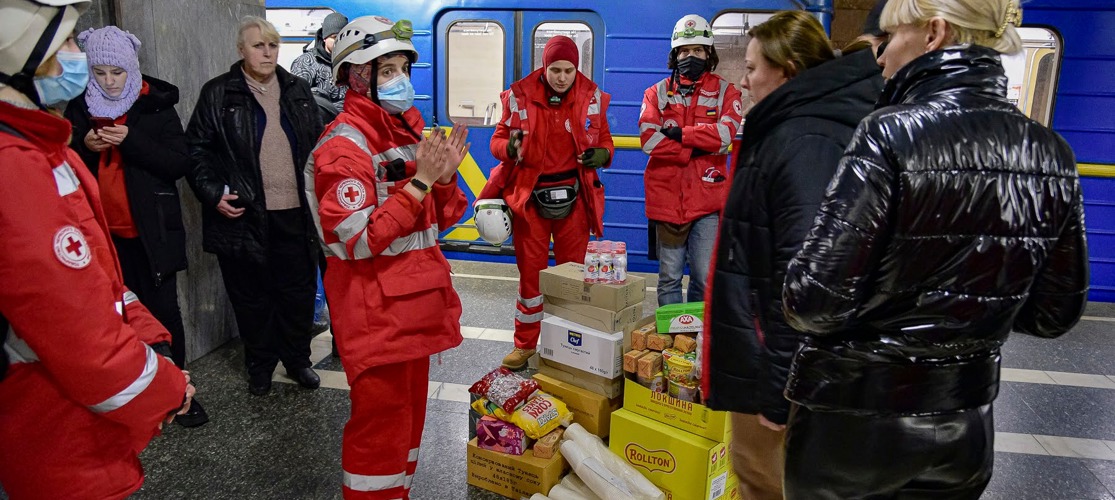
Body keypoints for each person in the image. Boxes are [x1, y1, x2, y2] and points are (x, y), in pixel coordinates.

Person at [781, 1, 1088, 498]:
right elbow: (1053, 314)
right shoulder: (1049, 151)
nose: (880, 57)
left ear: (934, 34)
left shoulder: (888, 133)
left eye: (889, 37)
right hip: (965, 424)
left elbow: (813, 302)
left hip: (854, 420)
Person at [0, 0, 194, 497]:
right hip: (53, 432)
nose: (79, 60)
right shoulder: (16, 165)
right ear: (25, 54)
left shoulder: (43, 144)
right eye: (66, 43)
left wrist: (153, 342)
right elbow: (76, 326)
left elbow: (100, 285)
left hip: (71, 423)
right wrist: (166, 389)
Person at [700, 10, 883, 500]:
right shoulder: (801, 127)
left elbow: (803, 280)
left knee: (765, 479)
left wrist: (782, 388)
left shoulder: (803, 141)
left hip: (775, 366)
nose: (745, 78)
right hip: (774, 357)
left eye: (755, 67)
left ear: (789, 70)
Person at [305, 16, 469, 499]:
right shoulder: (342, 146)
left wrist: (442, 179)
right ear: (357, 77)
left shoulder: (402, 130)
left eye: (403, 68)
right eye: (386, 70)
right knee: (380, 436)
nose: (400, 81)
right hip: (375, 314)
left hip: (413, 305)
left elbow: (446, 217)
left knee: (408, 430)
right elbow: (354, 240)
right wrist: (420, 182)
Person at [64, 25, 208, 428]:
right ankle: (129, 399)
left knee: (163, 315)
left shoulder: (156, 107)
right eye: (100, 73)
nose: (109, 81)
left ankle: (180, 394)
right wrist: (84, 148)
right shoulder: (76, 109)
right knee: (114, 321)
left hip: (152, 235)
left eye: (117, 72)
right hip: (100, 239)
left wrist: (130, 140)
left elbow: (178, 164)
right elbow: (60, 166)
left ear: (132, 70)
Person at [186, 16, 324, 396]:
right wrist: (213, 192)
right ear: (240, 50)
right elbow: (196, 149)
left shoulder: (296, 89)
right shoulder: (219, 93)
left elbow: (316, 145)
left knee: (297, 293)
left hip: (296, 214)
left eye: (272, 45)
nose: (266, 53)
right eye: (258, 45)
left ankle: (297, 360)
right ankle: (260, 365)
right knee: (252, 297)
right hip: (244, 215)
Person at [477, 35, 614, 370]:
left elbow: (606, 142)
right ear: (545, 66)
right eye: (555, 69)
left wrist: (603, 155)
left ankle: (570, 346)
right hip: (530, 202)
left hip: (575, 201)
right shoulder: (519, 97)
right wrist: (507, 149)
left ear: (576, 69)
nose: (562, 77)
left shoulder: (591, 97)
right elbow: (496, 140)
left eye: (568, 70)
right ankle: (524, 345)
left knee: (572, 278)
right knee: (531, 279)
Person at [640, 14, 742, 306]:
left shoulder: (726, 91)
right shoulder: (656, 93)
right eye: (684, 50)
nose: (691, 56)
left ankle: (696, 338)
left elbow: (725, 135)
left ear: (709, 53)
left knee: (704, 275)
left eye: (698, 50)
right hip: (666, 199)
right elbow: (649, 139)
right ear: (675, 54)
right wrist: (697, 147)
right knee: (669, 275)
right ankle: (672, 339)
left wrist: (680, 135)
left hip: (707, 201)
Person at [291, 11, 348, 123]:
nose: (338, 41)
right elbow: (297, 99)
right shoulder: (306, 63)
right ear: (325, 38)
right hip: (319, 125)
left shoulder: (352, 62)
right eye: (334, 37)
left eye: (343, 37)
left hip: (349, 123)